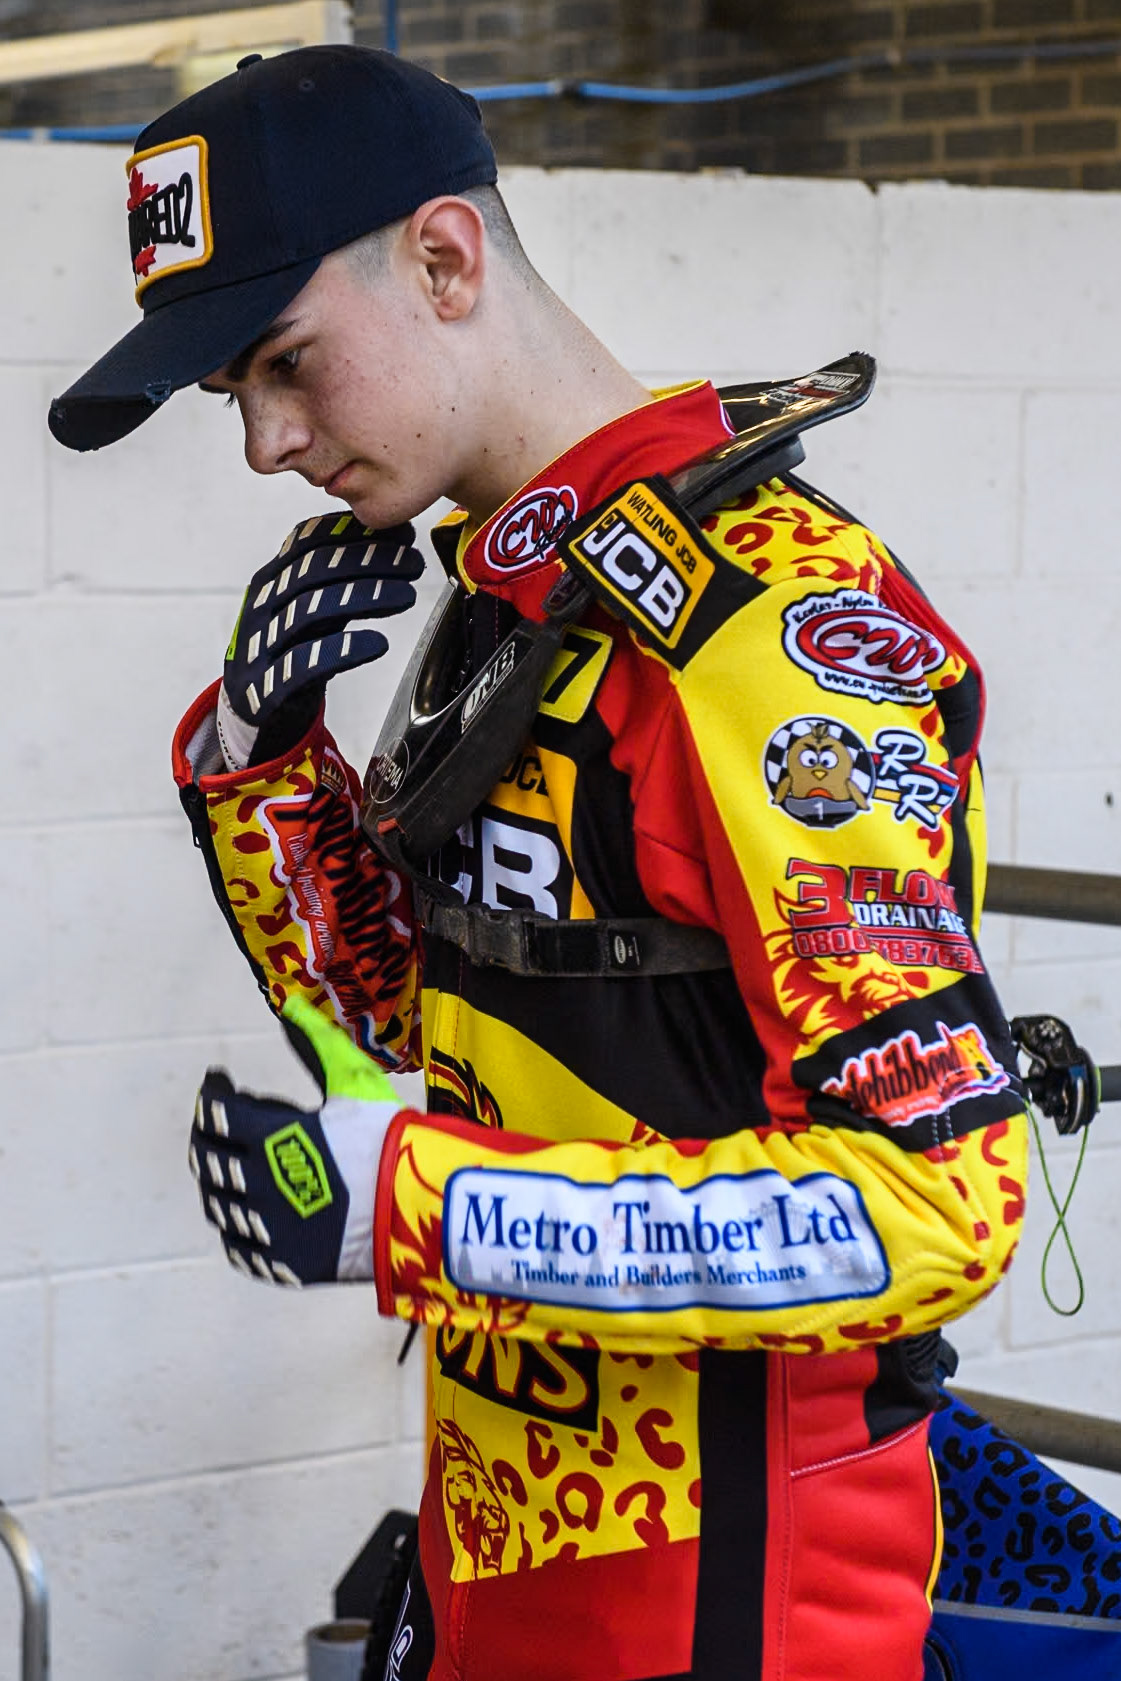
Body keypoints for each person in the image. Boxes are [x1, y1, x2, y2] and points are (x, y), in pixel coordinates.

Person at [49, 45, 1028, 1681]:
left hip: (731, 1578)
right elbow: (405, 1021)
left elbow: (941, 1198)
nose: (266, 443)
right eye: (234, 394)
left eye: (286, 363)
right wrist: (260, 758)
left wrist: (416, 1207)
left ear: (445, 259)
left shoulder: (763, 622)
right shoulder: (517, 586)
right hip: (504, 1535)